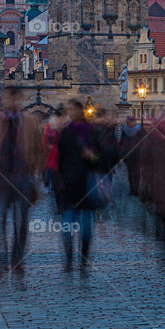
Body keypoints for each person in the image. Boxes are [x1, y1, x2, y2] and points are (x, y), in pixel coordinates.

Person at [0, 87, 41, 271]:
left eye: (13, 98)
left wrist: (35, 173)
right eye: (7, 98)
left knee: (21, 222)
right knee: (0, 220)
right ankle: (2, 260)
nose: (10, 101)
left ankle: (17, 258)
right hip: (2, 177)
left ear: (18, 99)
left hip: (22, 177)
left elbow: (37, 149)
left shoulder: (29, 121)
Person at [56, 100, 100, 272]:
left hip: (87, 184)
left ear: (81, 111)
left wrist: (92, 156)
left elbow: (101, 159)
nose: (71, 113)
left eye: (74, 110)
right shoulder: (65, 133)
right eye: (69, 110)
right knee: (66, 227)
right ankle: (69, 260)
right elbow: (59, 159)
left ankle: (83, 259)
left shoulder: (92, 132)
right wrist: (59, 180)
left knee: (87, 228)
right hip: (69, 185)